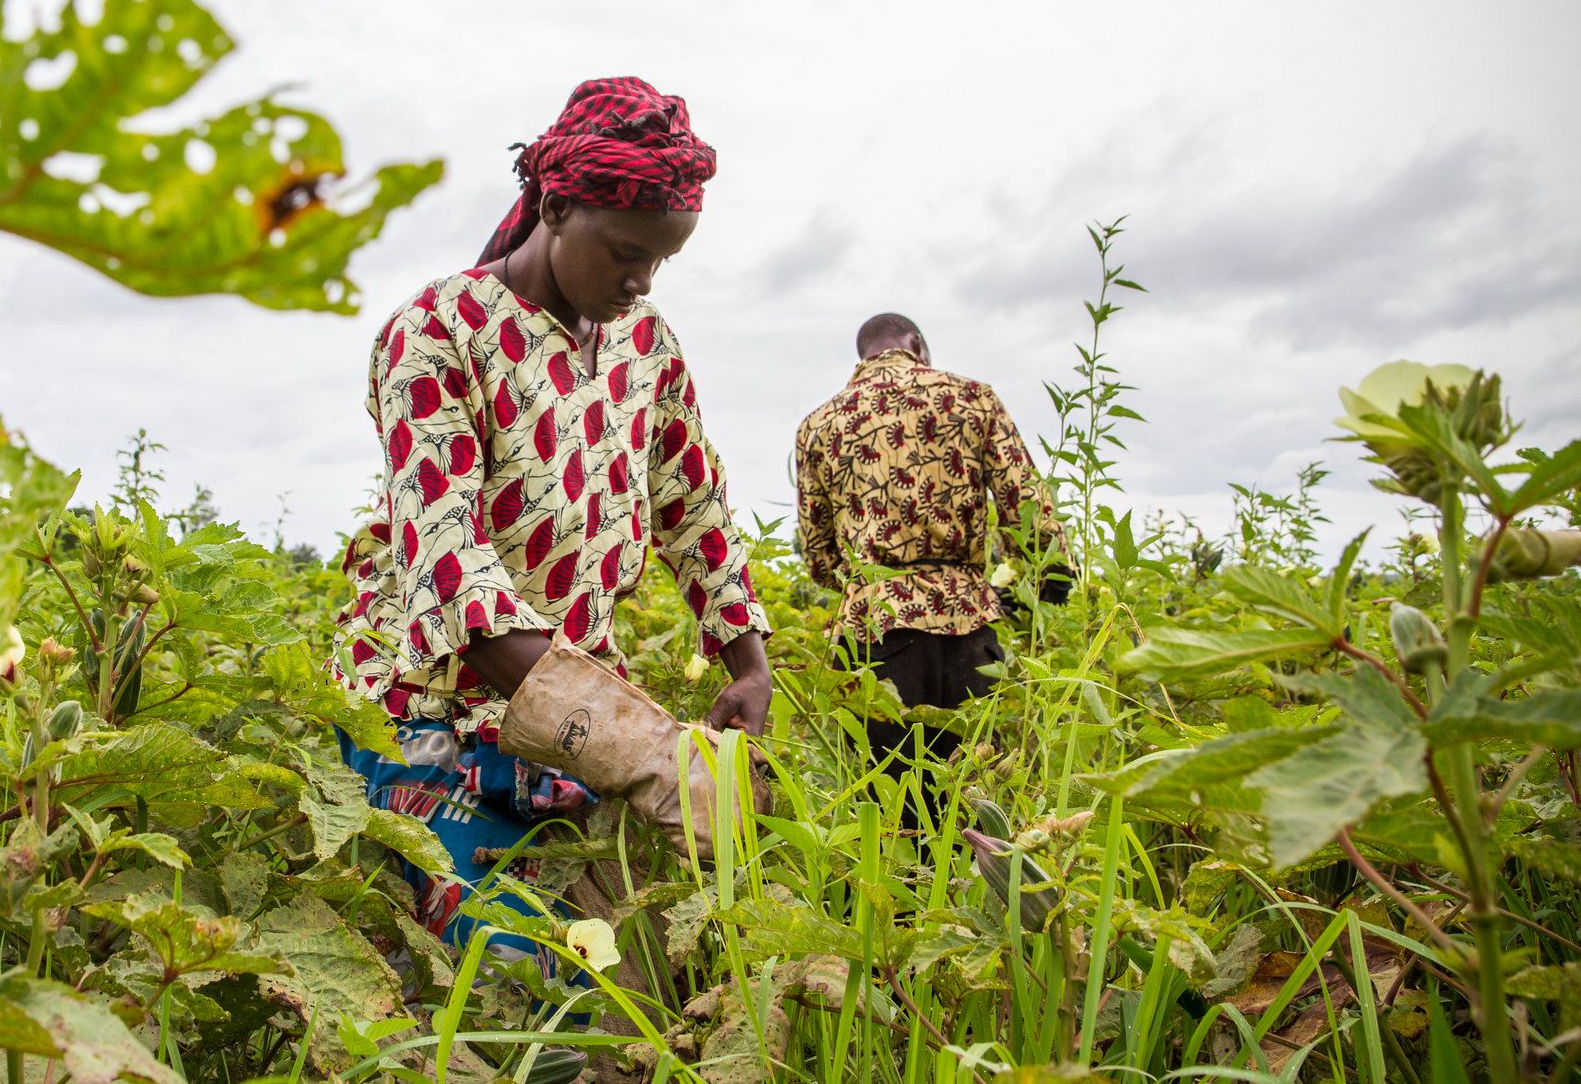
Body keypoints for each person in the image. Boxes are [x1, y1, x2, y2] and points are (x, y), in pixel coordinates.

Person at [328, 77, 773, 962]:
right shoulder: (438, 332)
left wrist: (748, 659)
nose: (640, 280)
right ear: (557, 206)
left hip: (572, 725)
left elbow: (694, 504)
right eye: (623, 252)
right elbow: (457, 584)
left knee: (592, 990)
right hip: (434, 726)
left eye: (660, 261)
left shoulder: (647, 348)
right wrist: (658, 759)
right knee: (471, 995)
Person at [793, 312, 1072, 813]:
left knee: (889, 807)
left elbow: (820, 558)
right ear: (917, 345)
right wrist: (1045, 584)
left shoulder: (819, 425)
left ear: (864, 355)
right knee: (975, 802)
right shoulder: (973, 398)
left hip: (874, 633)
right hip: (968, 627)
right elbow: (1027, 509)